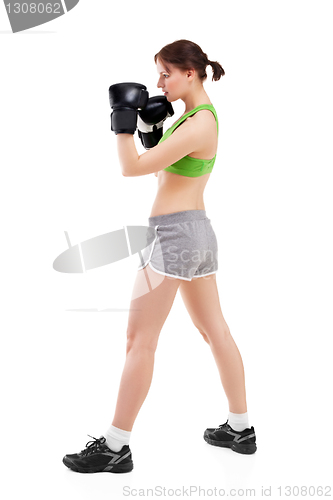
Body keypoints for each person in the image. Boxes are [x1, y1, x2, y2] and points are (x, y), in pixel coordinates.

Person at [63, 39, 257, 474]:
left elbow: (133, 168)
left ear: (191, 73)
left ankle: (115, 447)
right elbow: (167, 172)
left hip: (175, 237)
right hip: (194, 233)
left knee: (139, 341)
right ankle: (240, 429)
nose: (159, 83)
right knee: (214, 332)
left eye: (165, 73)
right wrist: (153, 132)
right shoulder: (192, 118)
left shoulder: (199, 122)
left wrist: (123, 126)